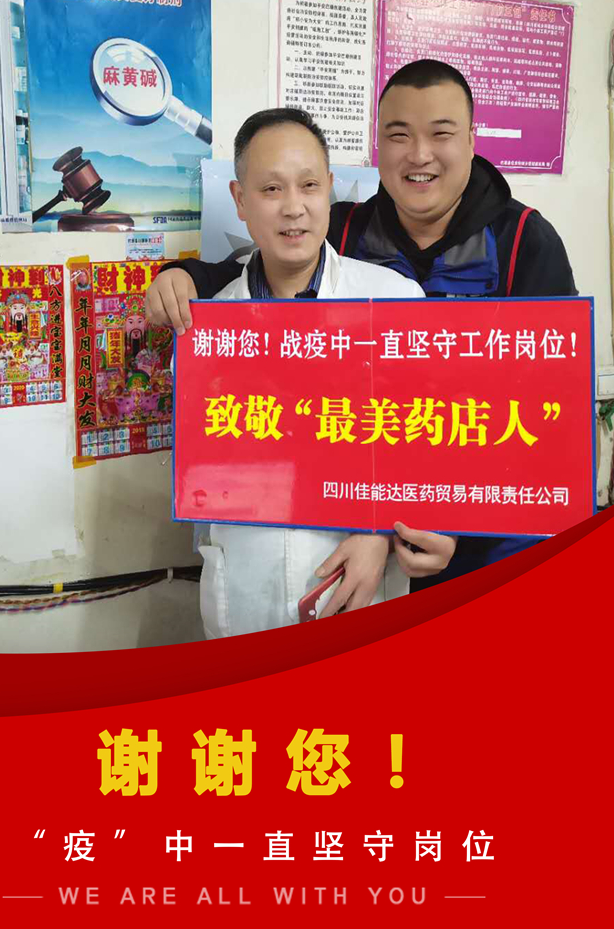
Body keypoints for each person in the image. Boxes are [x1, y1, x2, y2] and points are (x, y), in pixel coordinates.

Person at [148, 61, 578, 588]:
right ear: (378, 147)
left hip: (487, 542)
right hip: (367, 542)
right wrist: (184, 275)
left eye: (440, 134)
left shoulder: (524, 242)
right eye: (399, 136)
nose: (419, 155)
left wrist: (451, 520)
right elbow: (258, 270)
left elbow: (551, 418)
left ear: (471, 141)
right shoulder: (347, 229)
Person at [189, 106, 456, 639]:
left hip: (361, 587)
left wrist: (385, 530)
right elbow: (201, 481)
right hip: (244, 593)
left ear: (329, 188)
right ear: (240, 200)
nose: (294, 207)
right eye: (271, 189)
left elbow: (435, 444)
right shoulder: (205, 328)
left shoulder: (396, 301)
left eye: (309, 185)